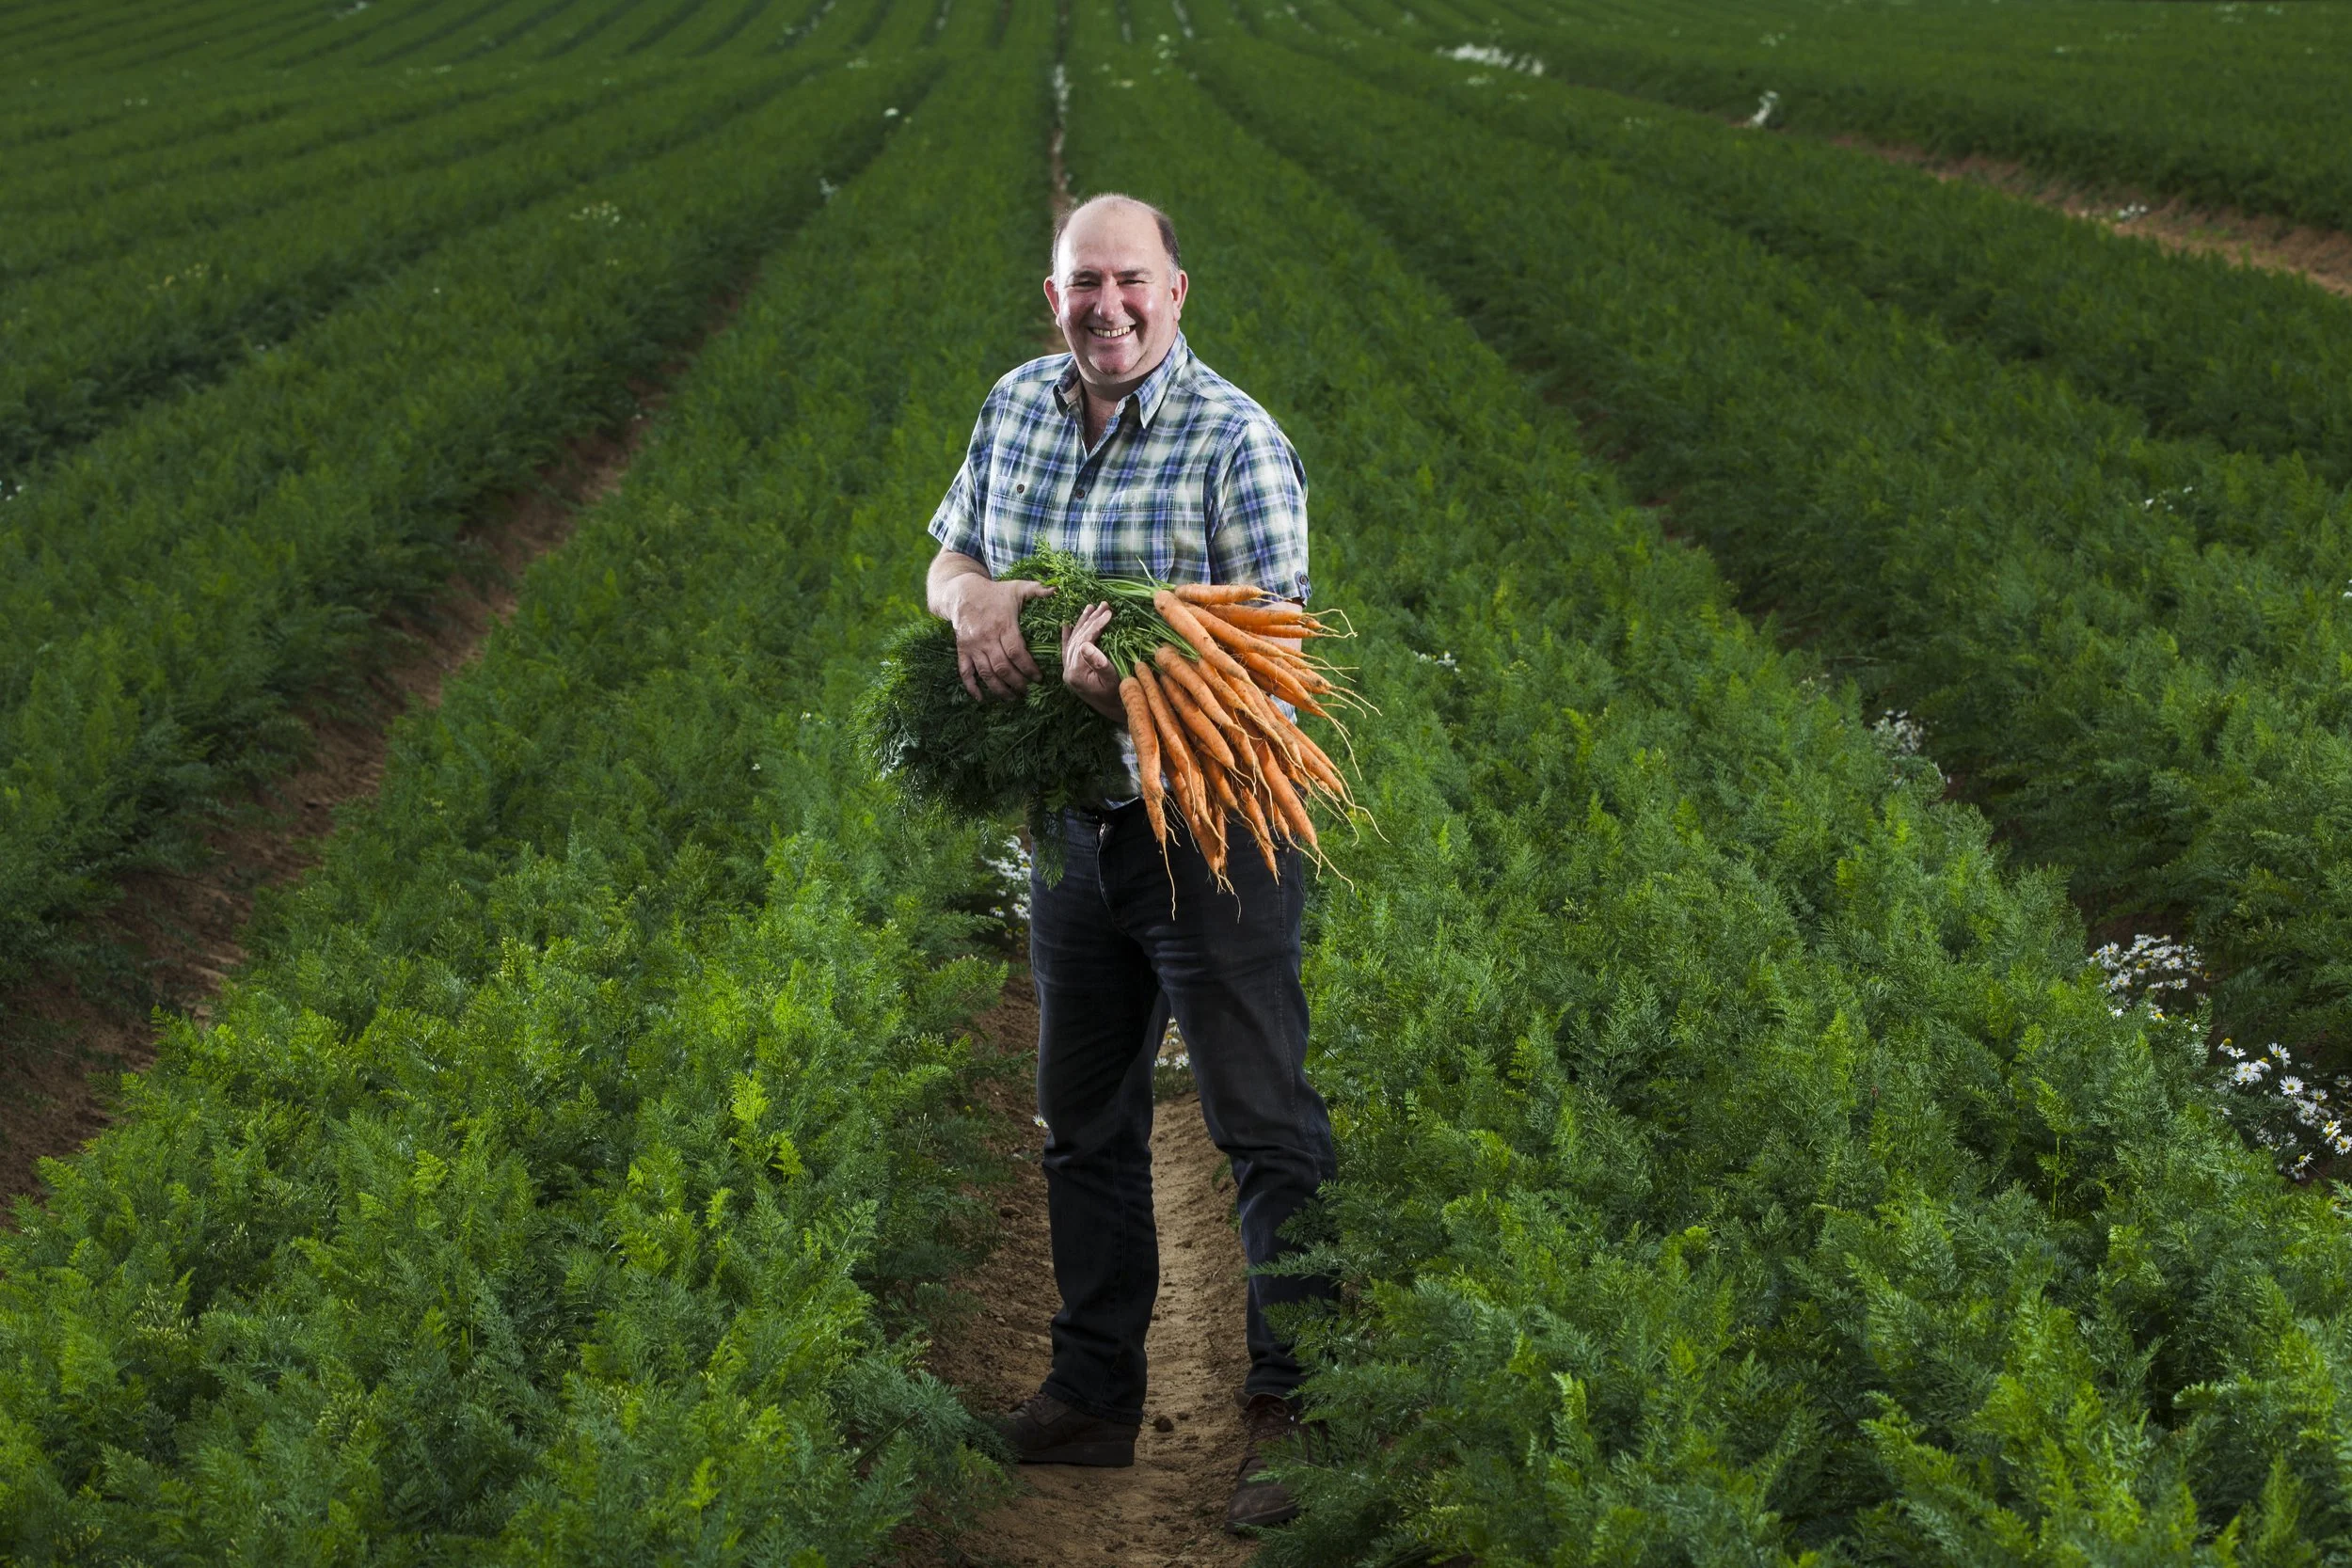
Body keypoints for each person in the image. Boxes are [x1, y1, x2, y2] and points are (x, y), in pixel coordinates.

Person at [924, 192, 1335, 1532]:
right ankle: (1095, 1395)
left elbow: (1275, 688)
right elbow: (953, 552)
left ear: (1178, 290)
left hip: (1214, 833)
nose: (1107, 304)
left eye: (1130, 281)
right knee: (1081, 1125)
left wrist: (1128, 696)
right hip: (1074, 832)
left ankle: (1301, 1416)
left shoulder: (1237, 445)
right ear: (1053, 297)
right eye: (1083, 282)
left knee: (1263, 1131)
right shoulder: (1016, 405)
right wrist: (975, 597)